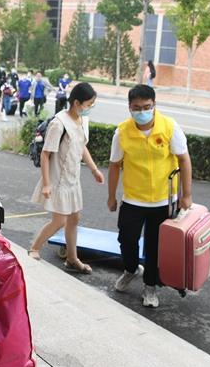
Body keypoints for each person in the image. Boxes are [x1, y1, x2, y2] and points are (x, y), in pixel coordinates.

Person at [107, 84, 192, 309]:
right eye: (137, 107)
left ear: (154, 106)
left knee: (155, 247)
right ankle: (131, 269)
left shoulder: (169, 127)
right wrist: (111, 196)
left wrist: (186, 195)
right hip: (133, 198)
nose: (142, 111)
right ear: (129, 107)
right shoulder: (122, 132)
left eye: (147, 107)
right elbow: (114, 165)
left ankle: (150, 287)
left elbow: (184, 160)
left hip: (163, 200)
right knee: (127, 239)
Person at [28, 83, 105, 273]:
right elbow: (46, 154)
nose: (91, 108)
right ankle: (34, 248)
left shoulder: (80, 120)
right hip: (58, 180)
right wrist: (46, 184)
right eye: (89, 104)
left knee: (74, 218)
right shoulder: (59, 123)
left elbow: (81, 146)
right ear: (77, 102)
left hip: (72, 179)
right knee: (60, 220)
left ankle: (72, 258)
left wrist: (94, 169)